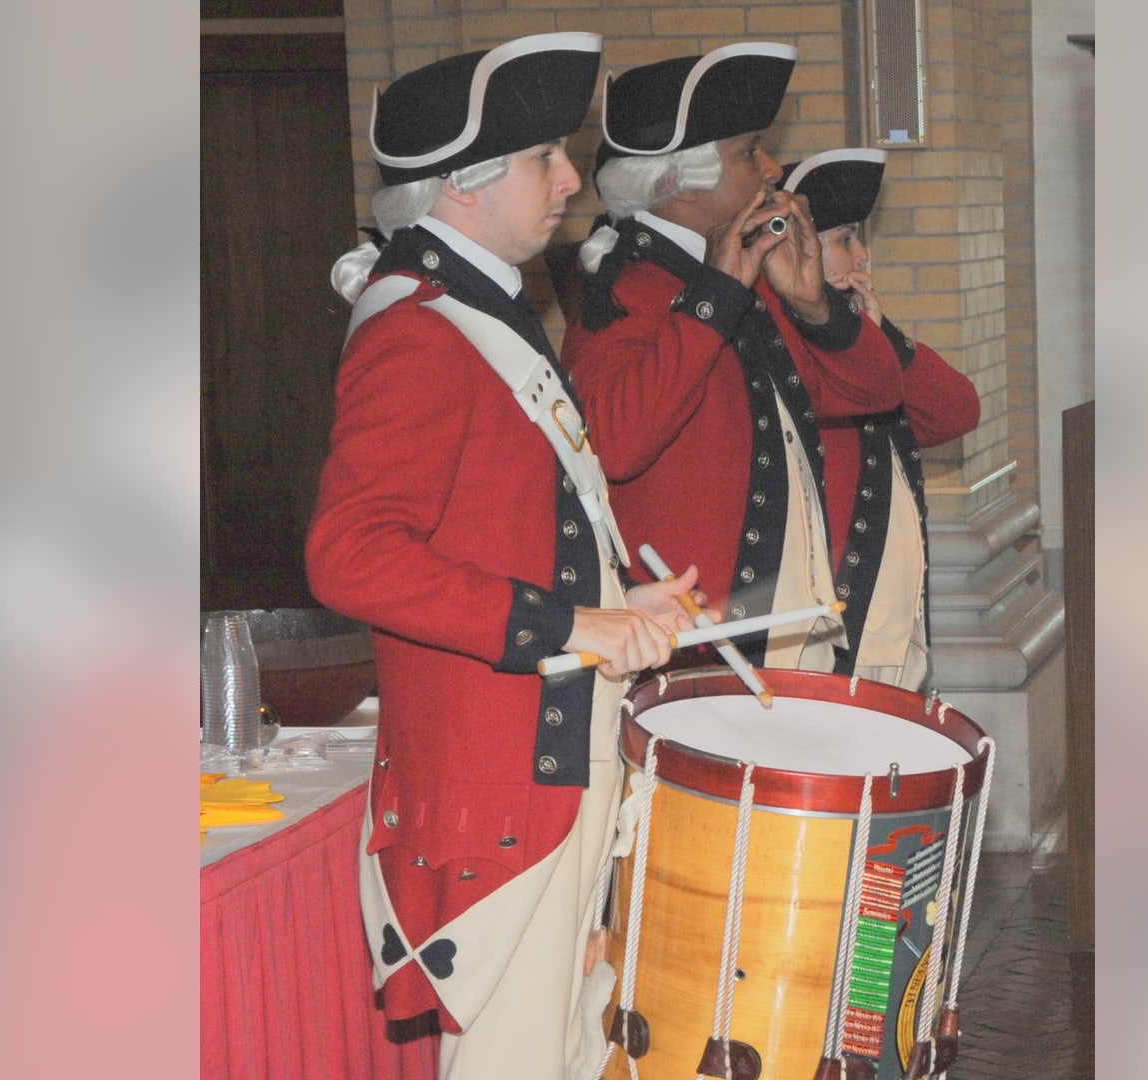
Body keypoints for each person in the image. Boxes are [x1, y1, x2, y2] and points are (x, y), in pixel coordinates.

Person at [306, 32, 706, 1079]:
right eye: (544, 159)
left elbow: (514, 517)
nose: (574, 179)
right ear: (462, 188)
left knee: (568, 1047)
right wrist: (575, 626)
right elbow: (351, 556)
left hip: (552, 750)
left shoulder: (485, 309)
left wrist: (625, 598)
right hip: (502, 778)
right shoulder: (418, 331)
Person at [563, 43, 905, 672]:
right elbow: (616, 441)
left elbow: (878, 393)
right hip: (691, 655)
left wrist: (815, 306)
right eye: (748, 151)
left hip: (776, 647)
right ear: (680, 185)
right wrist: (714, 297)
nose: (773, 168)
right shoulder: (628, 289)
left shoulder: (739, 279)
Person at [781, 148, 982, 690]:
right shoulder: (780, 349)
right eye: (844, 239)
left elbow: (955, 411)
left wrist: (883, 332)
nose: (863, 254)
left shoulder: (865, 346)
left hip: (887, 630)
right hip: (827, 636)